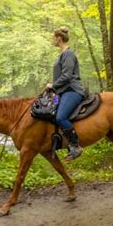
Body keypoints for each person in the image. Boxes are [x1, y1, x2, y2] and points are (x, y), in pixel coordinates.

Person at [45, 27, 86, 161]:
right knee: (50, 113)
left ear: (59, 38)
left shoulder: (68, 54)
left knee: (61, 117)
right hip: (62, 92)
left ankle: (75, 145)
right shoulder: (62, 55)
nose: (53, 40)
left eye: (54, 38)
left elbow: (67, 76)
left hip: (72, 90)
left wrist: (53, 85)